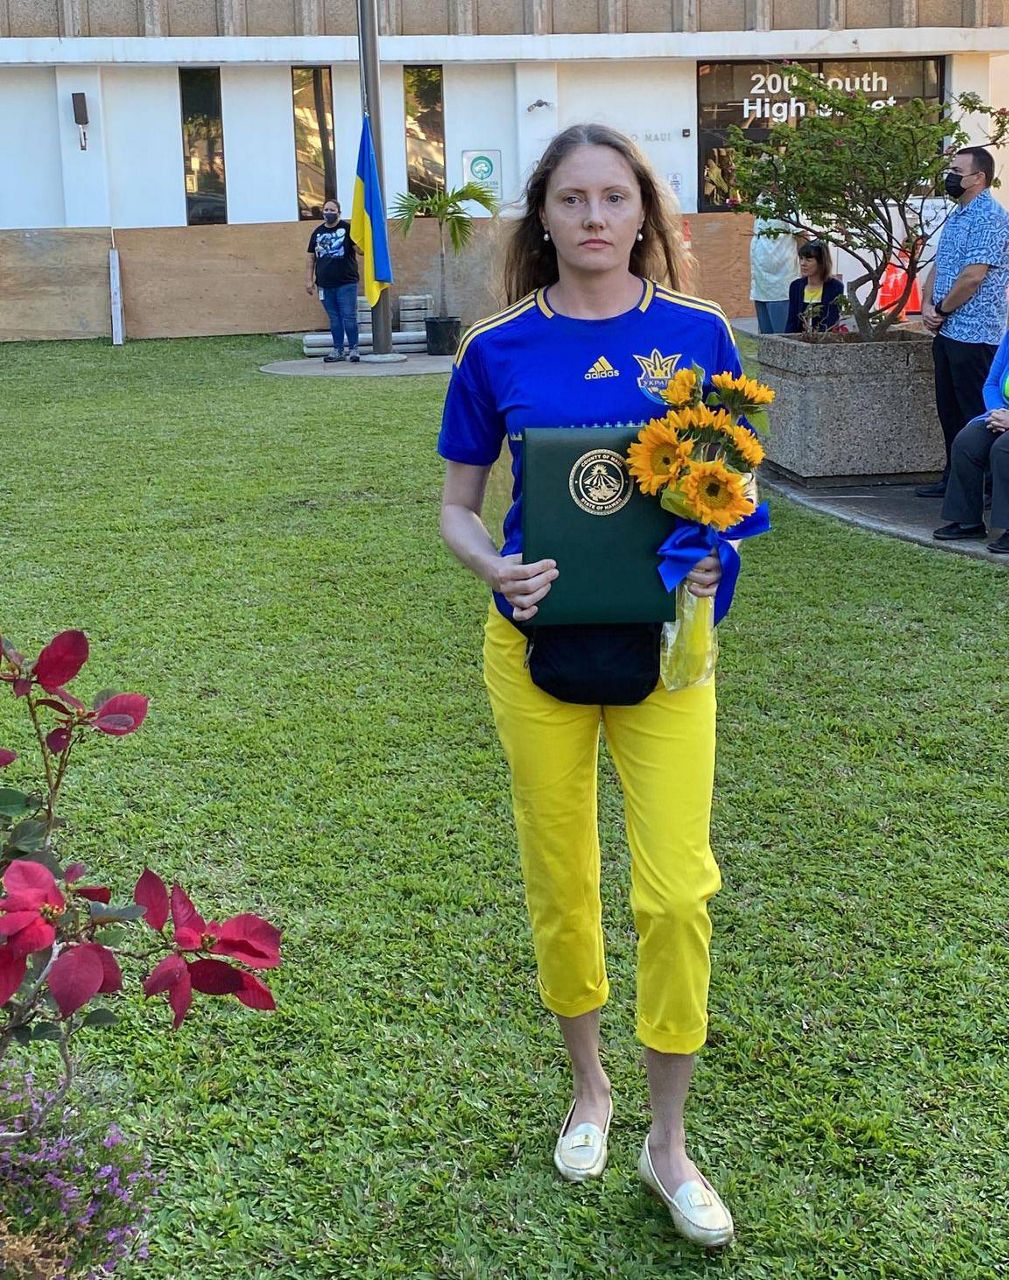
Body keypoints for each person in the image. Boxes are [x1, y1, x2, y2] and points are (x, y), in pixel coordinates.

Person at [437, 123, 745, 1250]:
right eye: (573, 199)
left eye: (616, 197)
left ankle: (668, 1142)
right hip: (535, 653)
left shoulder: (701, 334)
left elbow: (731, 495)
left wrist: (719, 553)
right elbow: (456, 509)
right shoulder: (496, 348)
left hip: (671, 653)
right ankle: (592, 1093)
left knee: (673, 893)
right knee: (562, 881)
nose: (595, 218)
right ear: (544, 217)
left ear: (645, 215)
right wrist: (493, 565)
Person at [916, 146, 1009, 498]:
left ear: (978, 178)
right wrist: (926, 304)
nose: (950, 177)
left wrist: (941, 308)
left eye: (957, 170)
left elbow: (972, 277)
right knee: (949, 411)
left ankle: (984, 488)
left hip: (975, 333)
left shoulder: (990, 218)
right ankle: (953, 478)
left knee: (976, 415)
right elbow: (942, 264)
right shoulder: (958, 214)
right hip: (948, 330)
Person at [933, 326, 1009, 553]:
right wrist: (997, 412)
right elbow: (992, 383)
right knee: (967, 442)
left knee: (1003, 448)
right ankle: (968, 521)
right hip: (1003, 413)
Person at [305, 199, 361, 363]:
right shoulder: (317, 232)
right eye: (326, 210)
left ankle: (353, 349)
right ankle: (338, 350)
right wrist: (309, 280)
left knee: (348, 316)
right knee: (334, 318)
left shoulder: (348, 229)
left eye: (332, 210)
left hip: (346, 283)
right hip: (324, 284)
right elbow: (310, 258)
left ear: (339, 212)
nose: (328, 212)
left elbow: (360, 250)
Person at [750, 200, 800, 334]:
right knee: (767, 342)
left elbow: (802, 235)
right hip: (761, 286)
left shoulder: (786, 199)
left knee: (784, 339)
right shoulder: (760, 199)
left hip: (782, 286)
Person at [785, 240, 843, 334]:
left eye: (808, 260)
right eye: (801, 258)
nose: (803, 263)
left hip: (823, 341)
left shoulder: (835, 287)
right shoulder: (795, 286)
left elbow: (832, 322)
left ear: (821, 262)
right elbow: (791, 322)